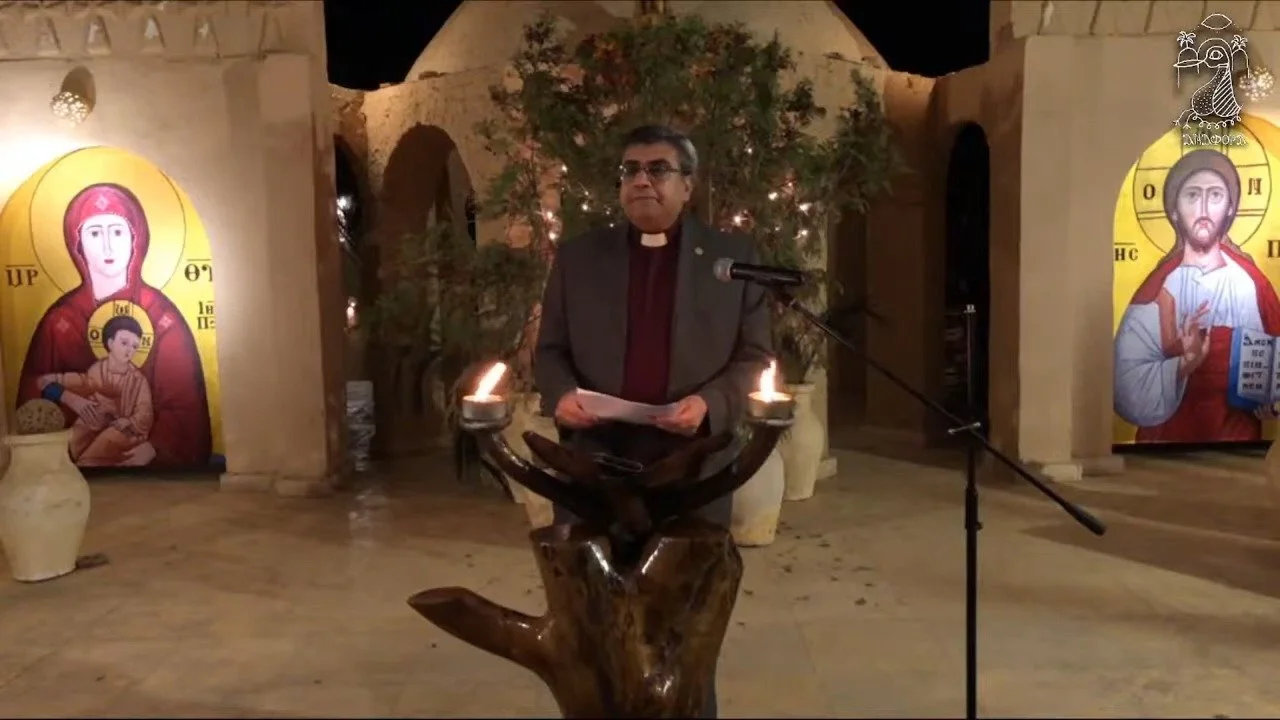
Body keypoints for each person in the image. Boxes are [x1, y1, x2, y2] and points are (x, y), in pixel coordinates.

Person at [533, 124, 772, 718]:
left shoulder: (734, 260)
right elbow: (550, 351)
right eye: (630, 170)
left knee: (684, 639)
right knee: (592, 629)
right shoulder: (579, 258)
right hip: (594, 468)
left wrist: (711, 404)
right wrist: (560, 394)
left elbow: (755, 357)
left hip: (692, 472)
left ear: (688, 185)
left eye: (658, 169)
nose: (641, 180)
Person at [16, 182, 212, 468]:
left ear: (135, 240)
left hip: (139, 450)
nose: (108, 246)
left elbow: (185, 408)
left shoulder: (162, 318)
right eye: (95, 233)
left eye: (118, 232)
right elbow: (35, 390)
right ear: (78, 244)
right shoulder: (60, 321)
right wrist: (73, 401)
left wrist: (155, 447)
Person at [1114, 148, 1280, 442]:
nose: (1203, 209)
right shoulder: (1158, 290)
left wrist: (1272, 400)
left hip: (1238, 443)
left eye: (1215, 195)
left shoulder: (1252, 285)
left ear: (1230, 208)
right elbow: (1125, 384)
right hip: (1164, 444)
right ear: (1174, 210)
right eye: (1192, 195)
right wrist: (1185, 364)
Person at [37, 314, 155, 466]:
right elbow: (81, 382)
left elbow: (145, 412)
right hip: (96, 421)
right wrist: (60, 384)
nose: (129, 350)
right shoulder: (98, 370)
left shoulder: (138, 380)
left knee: (92, 457)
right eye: (124, 343)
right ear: (110, 343)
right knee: (72, 444)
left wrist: (128, 420)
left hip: (124, 429)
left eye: (134, 346)